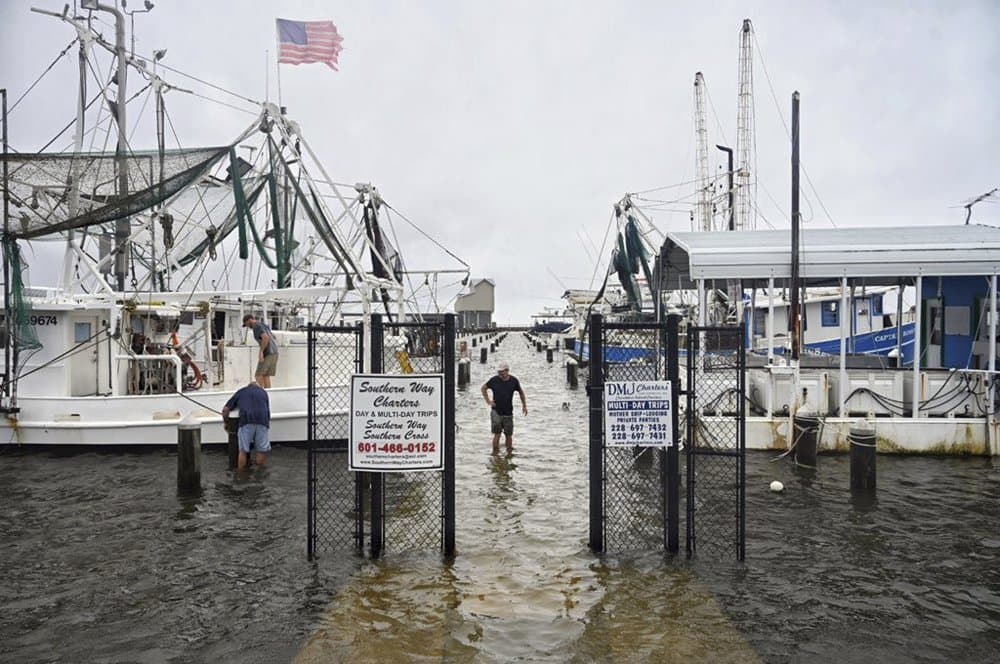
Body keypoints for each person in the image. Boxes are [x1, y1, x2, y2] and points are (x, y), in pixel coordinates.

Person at [222, 381, 271, 470]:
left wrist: (226, 423)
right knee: (261, 450)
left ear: (248, 386)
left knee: (243, 450)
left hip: (246, 421)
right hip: (263, 421)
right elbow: (267, 410)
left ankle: (241, 474)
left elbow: (225, 410)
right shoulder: (263, 392)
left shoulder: (242, 391)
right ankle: (260, 474)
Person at [481, 362, 528, 454]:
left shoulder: (514, 381)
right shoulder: (494, 380)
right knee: (497, 434)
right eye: (499, 372)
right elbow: (483, 388)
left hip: (508, 412)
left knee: (508, 435)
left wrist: (524, 406)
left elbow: (521, 393)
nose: (500, 374)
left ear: (507, 371)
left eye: (502, 372)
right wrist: (488, 401)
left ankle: (509, 454)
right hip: (496, 411)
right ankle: (495, 455)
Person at [243, 313, 278, 388]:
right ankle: (267, 394)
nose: (247, 327)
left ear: (249, 320)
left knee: (258, 375)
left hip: (268, 353)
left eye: (246, 324)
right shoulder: (263, 324)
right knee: (266, 376)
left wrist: (261, 352)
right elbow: (273, 336)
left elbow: (265, 338)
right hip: (274, 352)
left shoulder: (256, 326)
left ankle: (259, 394)